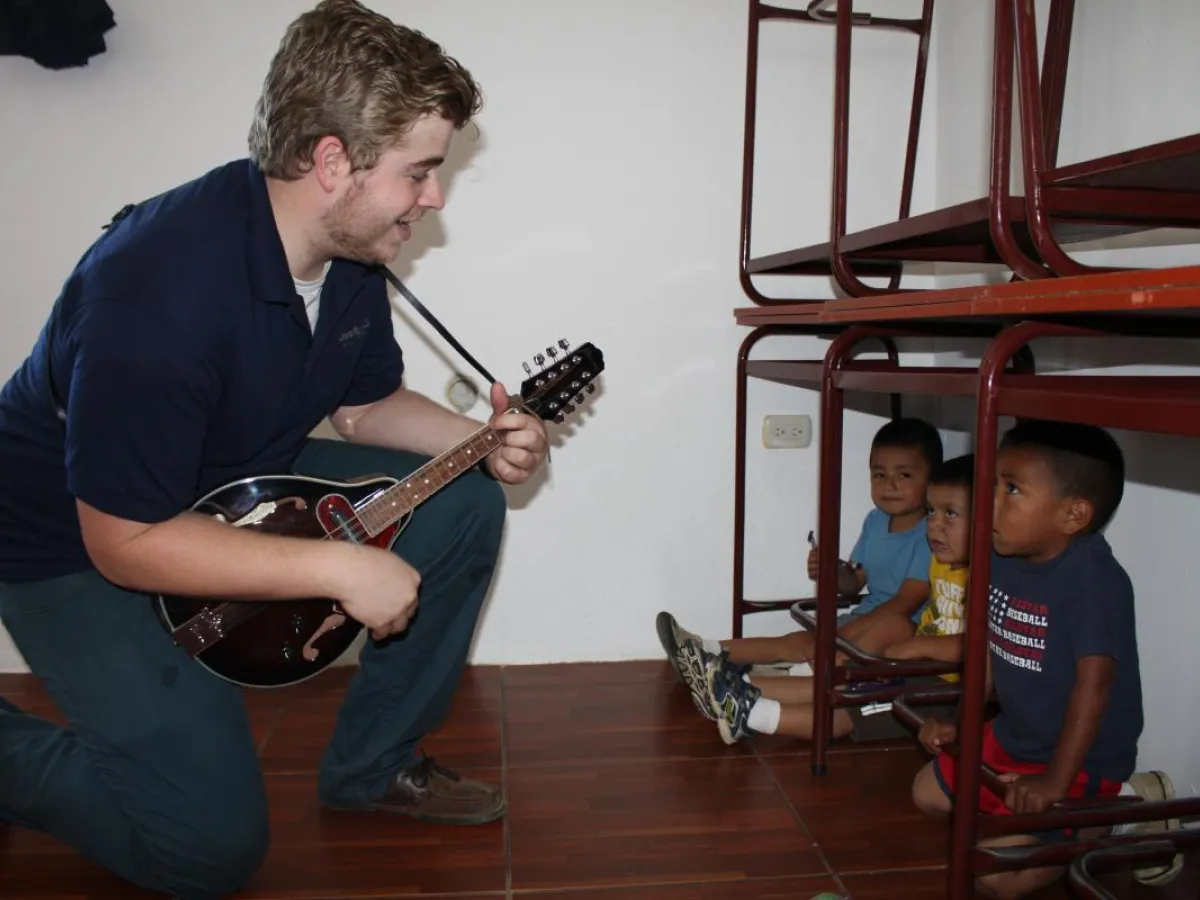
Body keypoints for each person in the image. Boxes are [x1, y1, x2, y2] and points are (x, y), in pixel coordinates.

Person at [0, 2, 548, 898]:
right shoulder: (154, 295)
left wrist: (481, 441)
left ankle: (373, 766)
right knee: (205, 853)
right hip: (71, 538)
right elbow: (124, 540)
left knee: (462, 502)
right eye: (419, 172)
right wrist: (337, 567)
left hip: (222, 491)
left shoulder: (350, 254)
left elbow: (361, 407)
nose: (434, 197)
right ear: (332, 162)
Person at [912, 421, 1179, 898]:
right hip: (1015, 737)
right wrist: (961, 724)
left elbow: (1094, 686)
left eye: (1012, 489)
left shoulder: (1094, 581)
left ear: (1072, 514)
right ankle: (1036, 814)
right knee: (926, 795)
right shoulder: (998, 555)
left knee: (995, 876)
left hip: (1080, 760)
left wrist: (1056, 780)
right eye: (992, 484)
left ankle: (1122, 815)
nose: (990, 501)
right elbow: (986, 654)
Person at [656, 417, 941, 721]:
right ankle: (703, 652)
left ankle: (758, 683)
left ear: (933, 479)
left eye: (904, 475)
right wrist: (832, 570)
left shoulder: (931, 533)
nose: (890, 485)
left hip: (897, 634)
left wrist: (839, 637)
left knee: (870, 633)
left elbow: (904, 604)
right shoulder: (875, 521)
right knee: (798, 640)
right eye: (879, 474)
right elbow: (854, 581)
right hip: (863, 620)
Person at [702, 453, 975, 745]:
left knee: (853, 706)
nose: (934, 524)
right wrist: (832, 570)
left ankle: (752, 714)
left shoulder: (985, 578)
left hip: (943, 684)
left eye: (951, 514)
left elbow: (978, 648)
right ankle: (726, 683)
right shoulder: (939, 563)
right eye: (932, 511)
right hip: (913, 662)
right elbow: (855, 581)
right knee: (839, 675)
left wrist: (912, 647)